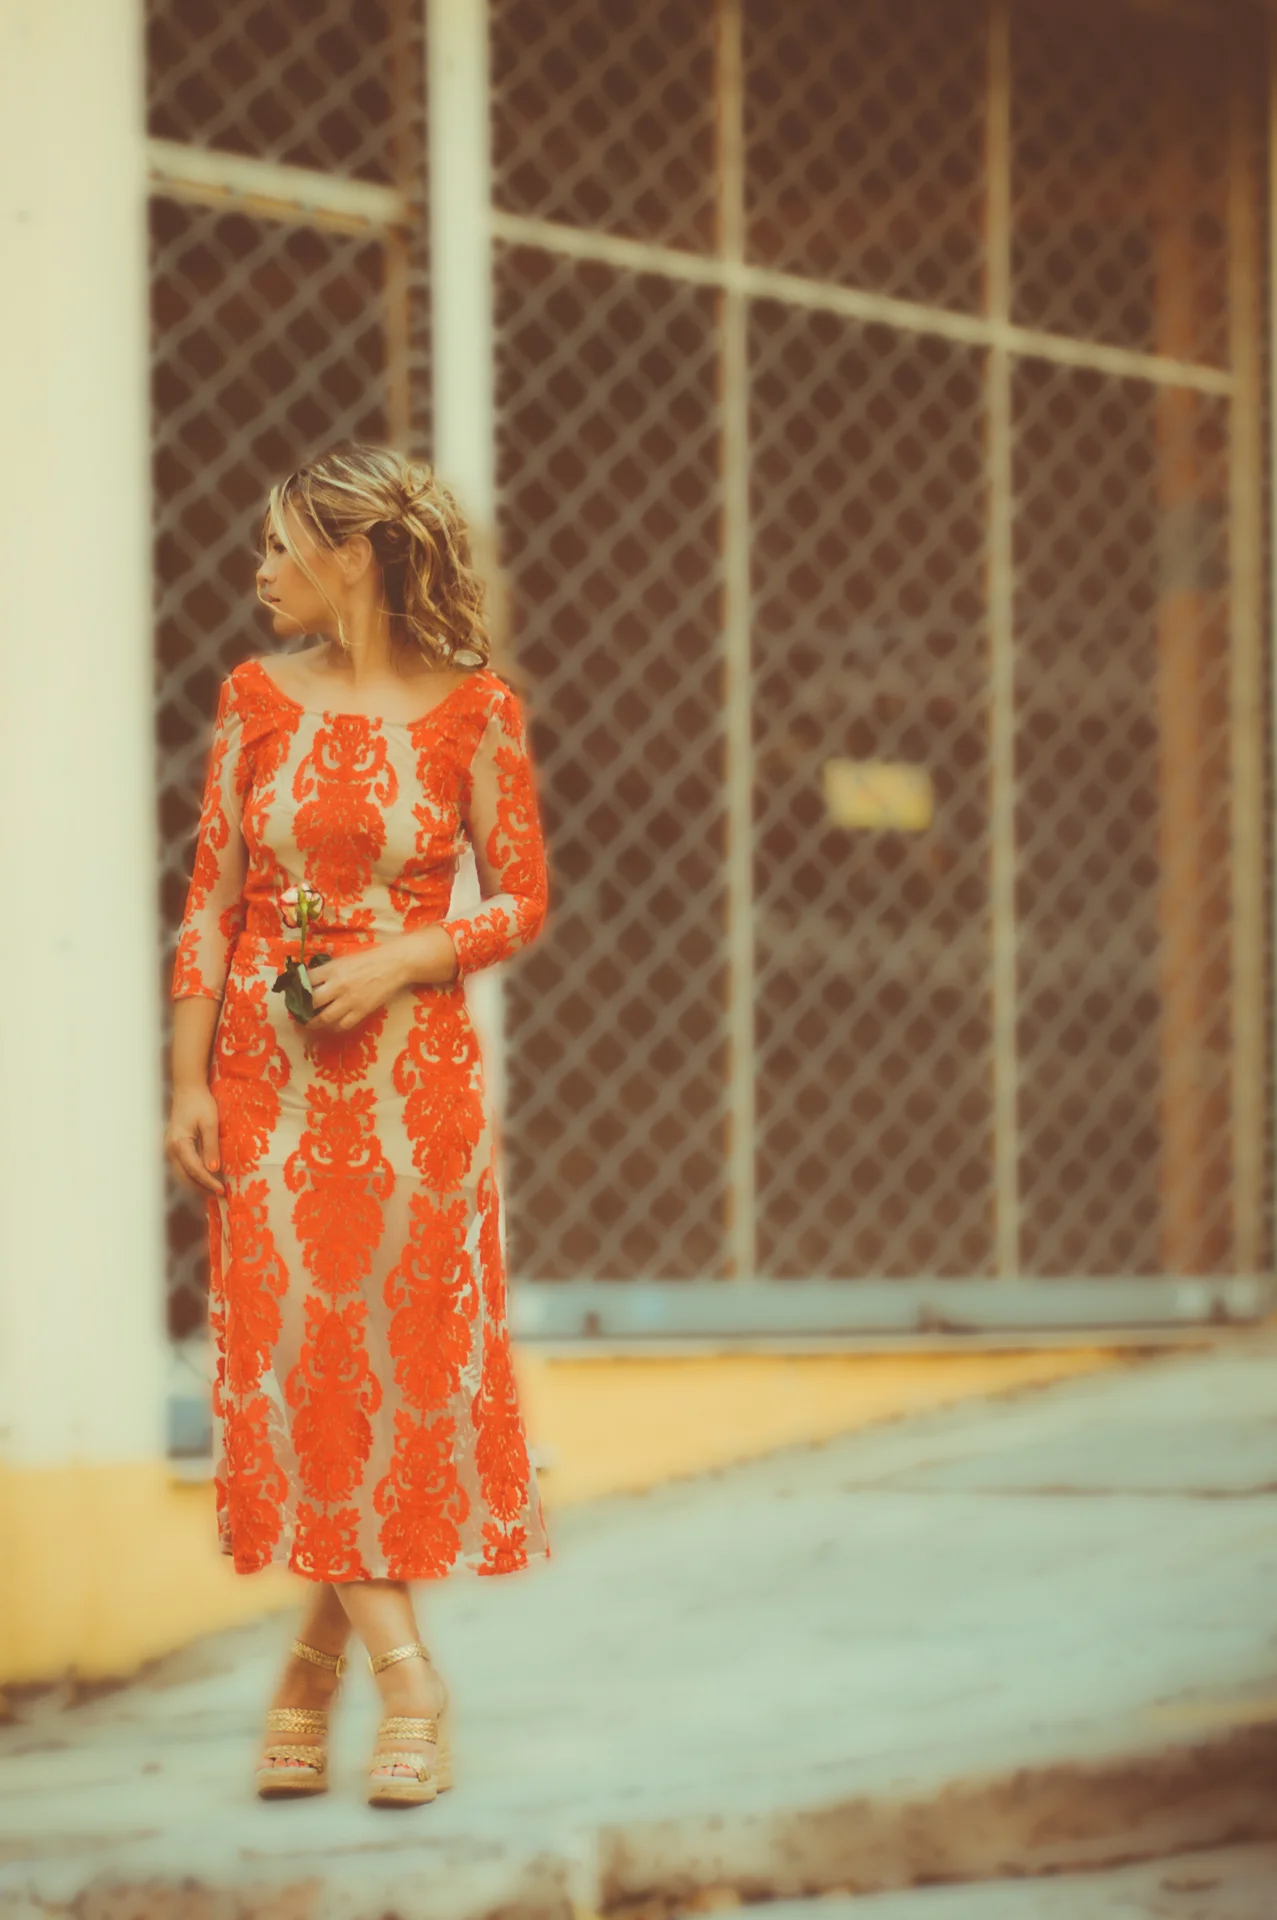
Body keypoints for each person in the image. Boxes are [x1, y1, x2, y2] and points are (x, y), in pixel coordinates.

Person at [163, 441, 550, 1808]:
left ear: (355, 557)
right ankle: (409, 1680)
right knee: (300, 1369)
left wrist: (402, 959)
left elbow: (519, 899)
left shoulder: (477, 712)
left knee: (386, 1381)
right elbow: (211, 904)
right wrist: (188, 1083)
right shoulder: (253, 698)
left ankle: (313, 1673)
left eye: (282, 545)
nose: (259, 570)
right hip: (266, 1091)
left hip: (413, 1093)